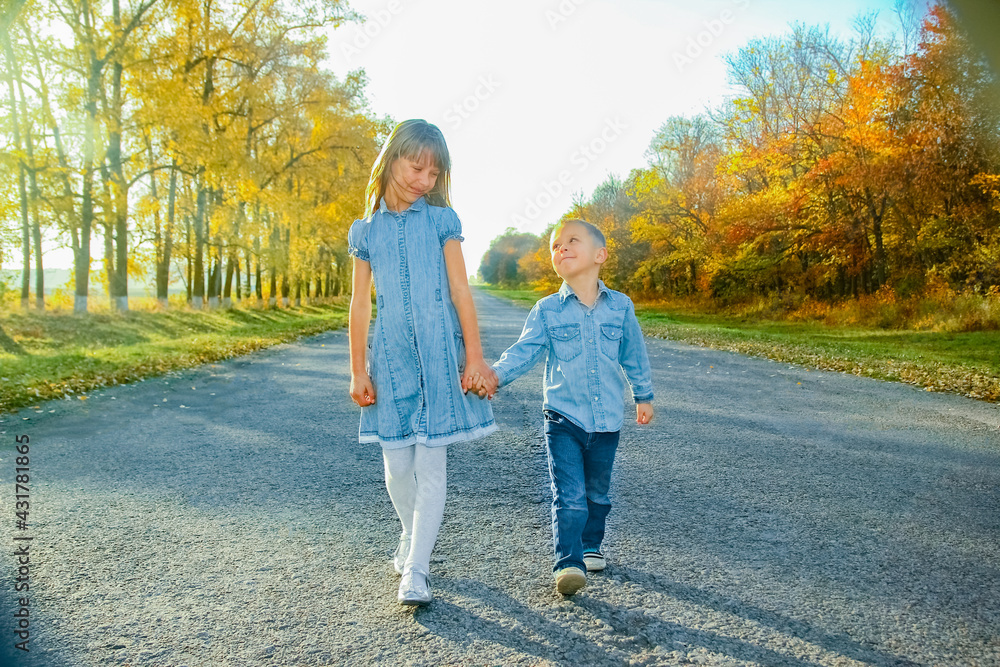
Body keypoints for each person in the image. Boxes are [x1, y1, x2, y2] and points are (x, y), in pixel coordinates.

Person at [347, 119, 496, 606]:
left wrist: (473, 356)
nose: (425, 180)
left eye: (435, 173)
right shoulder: (365, 232)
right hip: (388, 359)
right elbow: (359, 303)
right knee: (395, 468)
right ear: (392, 160)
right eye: (417, 167)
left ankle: (417, 568)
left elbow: (460, 292)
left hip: (437, 356)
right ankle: (412, 535)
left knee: (431, 464)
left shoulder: (441, 221)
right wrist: (357, 368)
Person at [473, 219, 654, 596]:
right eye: (556, 245)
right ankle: (568, 562)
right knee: (569, 495)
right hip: (563, 418)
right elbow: (524, 352)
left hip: (606, 421)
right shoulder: (547, 310)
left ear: (599, 255)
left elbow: (634, 355)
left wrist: (644, 395)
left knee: (597, 494)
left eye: (573, 241)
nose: (562, 248)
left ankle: (590, 546)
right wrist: (495, 376)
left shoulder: (620, 307)